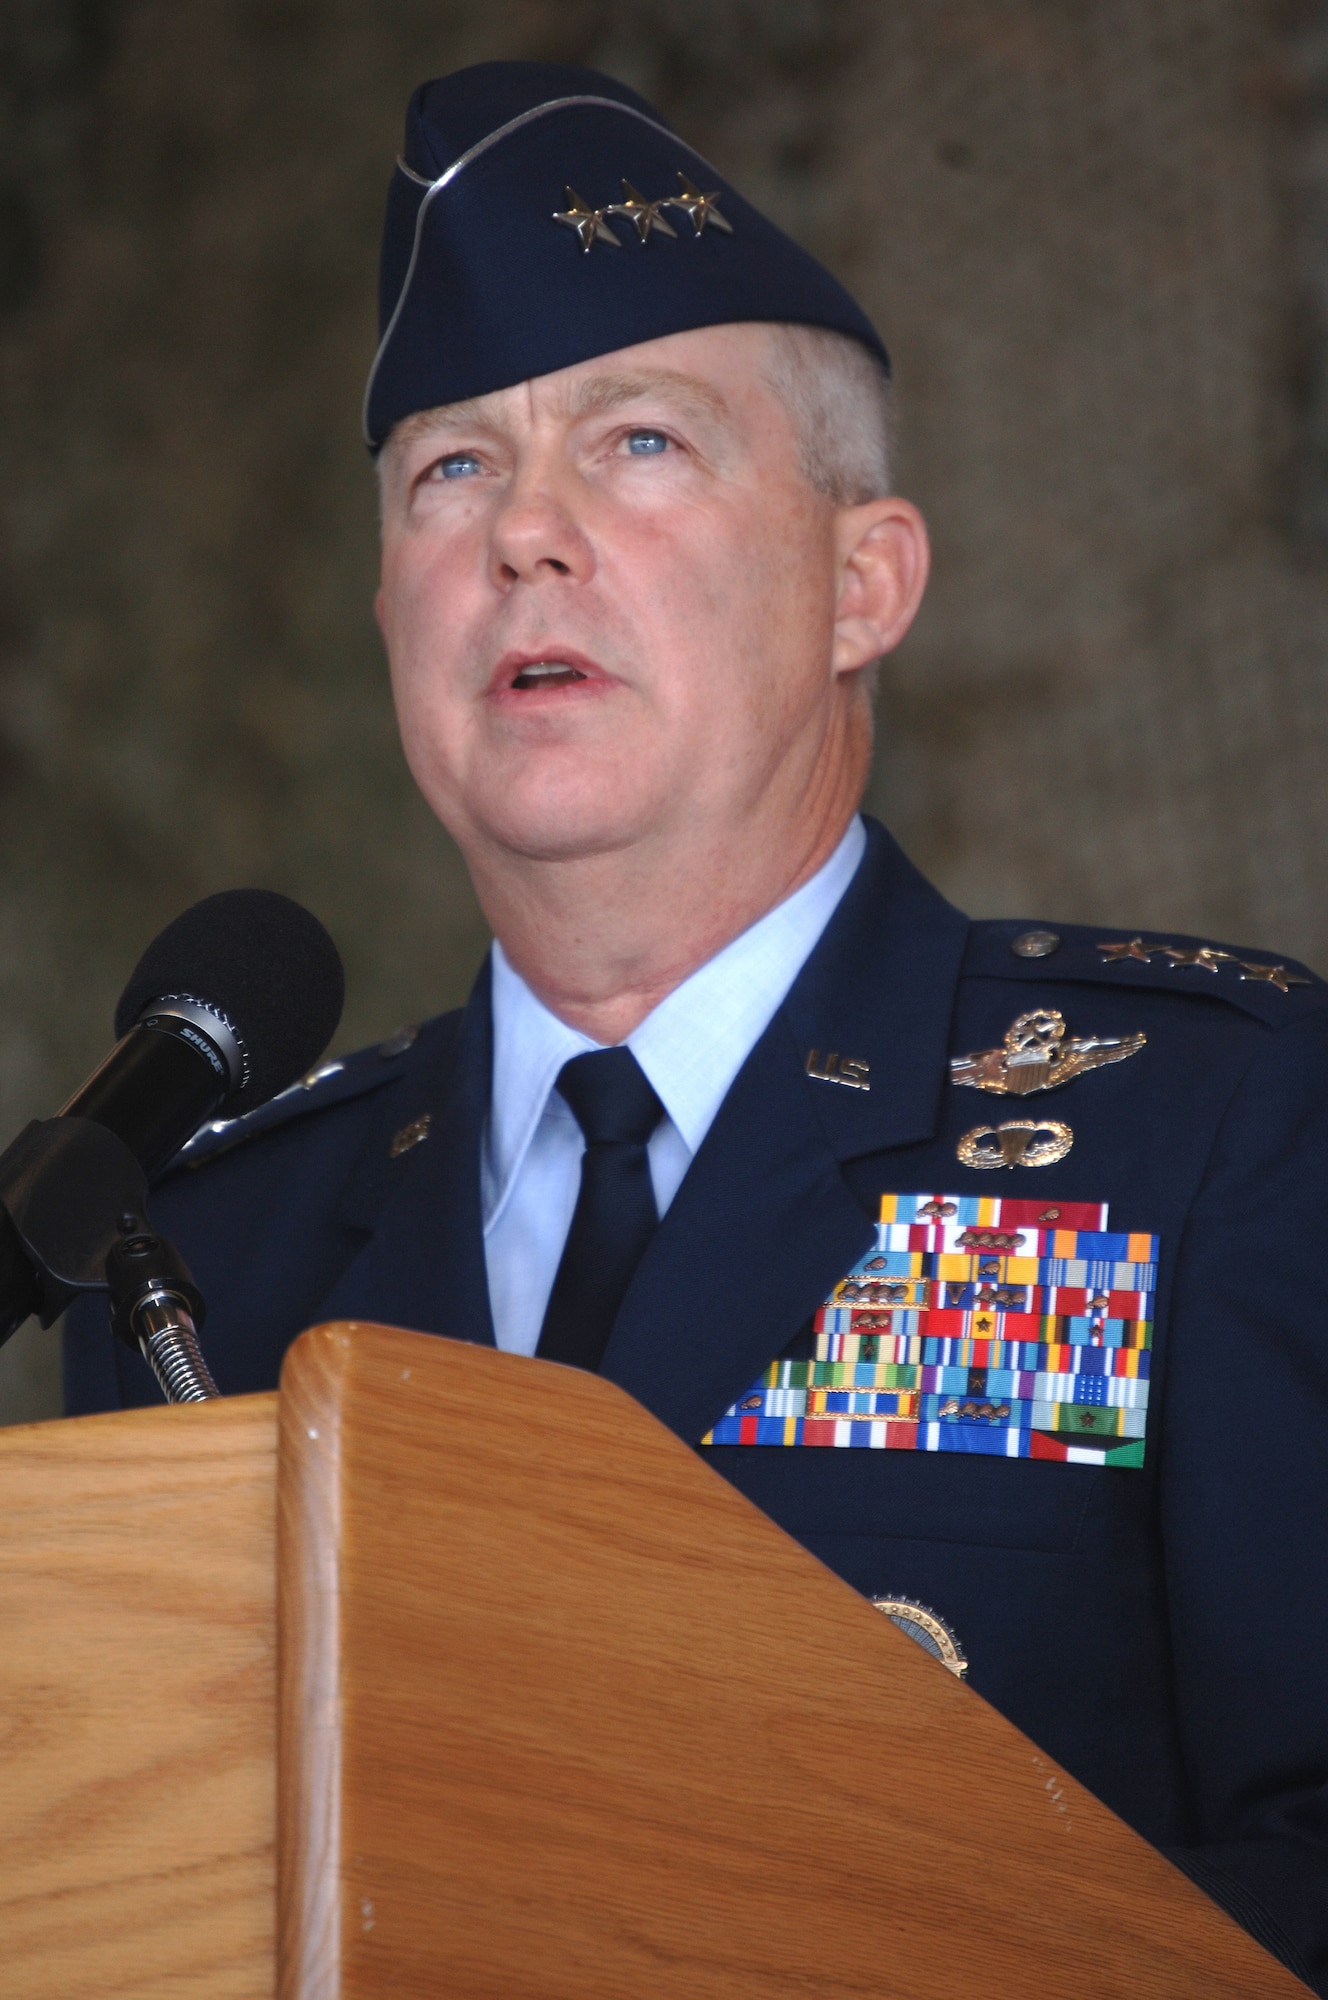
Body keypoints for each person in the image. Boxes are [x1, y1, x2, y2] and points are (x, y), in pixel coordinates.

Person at [64, 61, 1328, 1986]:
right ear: (391, 611)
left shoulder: (1205, 1136)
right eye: (451, 471)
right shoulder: (207, 1257)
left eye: (636, 443)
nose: (523, 536)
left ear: (862, 579)